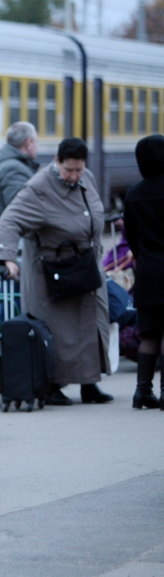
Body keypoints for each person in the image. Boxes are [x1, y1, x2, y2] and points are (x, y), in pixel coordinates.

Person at [0, 137, 113, 406]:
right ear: (57, 161)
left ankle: (89, 384)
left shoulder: (87, 179)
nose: (74, 176)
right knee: (58, 332)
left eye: (79, 170)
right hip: (53, 271)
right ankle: (51, 385)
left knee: (92, 326)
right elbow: (9, 221)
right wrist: (8, 258)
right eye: (69, 170)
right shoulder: (38, 188)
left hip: (85, 267)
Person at [124, 134, 164, 410]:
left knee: (150, 334)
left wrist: (143, 257)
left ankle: (142, 392)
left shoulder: (133, 194)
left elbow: (131, 237)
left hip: (148, 272)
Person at [0, 122, 40, 270]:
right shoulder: (13, 169)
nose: (38, 146)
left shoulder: (8, 165)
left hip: (12, 254)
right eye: (36, 141)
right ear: (28, 143)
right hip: (16, 258)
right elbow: (21, 213)